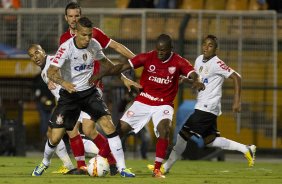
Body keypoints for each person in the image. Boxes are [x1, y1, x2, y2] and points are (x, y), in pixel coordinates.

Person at [91, 33, 205, 178]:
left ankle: (157, 169)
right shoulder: (147, 57)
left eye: (163, 50)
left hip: (164, 104)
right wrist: (101, 74)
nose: (160, 53)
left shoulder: (178, 61)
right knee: (121, 129)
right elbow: (122, 66)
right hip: (143, 101)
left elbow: (193, 74)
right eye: (158, 49)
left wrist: (197, 81)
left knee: (164, 129)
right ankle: (100, 158)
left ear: (171, 48)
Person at [47, 17, 136, 177]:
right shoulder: (66, 48)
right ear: (76, 33)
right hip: (70, 95)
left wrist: (124, 77)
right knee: (55, 136)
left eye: (90, 34)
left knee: (108, 125)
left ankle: (122, 168)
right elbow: (50, 72)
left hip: (89, 93)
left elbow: (108, 65)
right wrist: (64, 83)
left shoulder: (94, 44)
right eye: (84, 35)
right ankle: (45, 162)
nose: (88, 38)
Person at [154, 35, 256, 175]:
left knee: (183, 135)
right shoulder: (198, 60)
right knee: (210, 140)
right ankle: (246, 149)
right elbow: (200, 81)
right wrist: (187, 80)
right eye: (204, 44)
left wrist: (237, 101)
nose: (206, 48)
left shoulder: (217, 63)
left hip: (208, 107)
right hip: (203, 105)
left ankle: (165, 168)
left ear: (215, 49)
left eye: (210, 45)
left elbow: (236, 77)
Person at [28, 44, 100, 175]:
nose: (35, 57)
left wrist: (58, 79)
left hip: (75, 100)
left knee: (71, 133)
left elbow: (66, 68)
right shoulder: (44, 71)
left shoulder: (53, 61)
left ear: (43, 51)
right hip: (67, 103)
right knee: (59, 134)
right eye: (32, 56)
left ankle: (106, 154)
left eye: (37, 52)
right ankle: (73, 165)